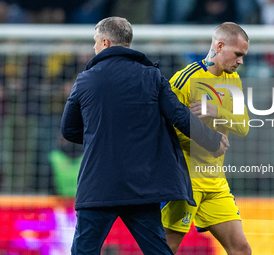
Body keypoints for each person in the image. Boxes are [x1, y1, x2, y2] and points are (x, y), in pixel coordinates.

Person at [61, 16, 230, 255]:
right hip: (141, 185)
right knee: (157, 250)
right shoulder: (152, 76)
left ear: (106, 43)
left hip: (98, 184)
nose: (94, 47)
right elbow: (180, 117)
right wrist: (213, 140)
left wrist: (100, 137)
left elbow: (68, 130)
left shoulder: (86, 79)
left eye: (95, 42)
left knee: (84, 251)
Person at [161, 22, 252, 255]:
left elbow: (243, 127)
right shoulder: (185, 79)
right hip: (185, 181)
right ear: (219, 46)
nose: (241, 61)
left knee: (241, 249)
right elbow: (164, 128)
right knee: (165, 249)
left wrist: (216, 111)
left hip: (215, 182)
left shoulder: (234, 81)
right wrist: (207, 138)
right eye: (238, 54)